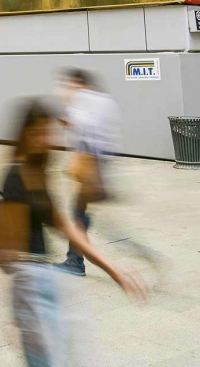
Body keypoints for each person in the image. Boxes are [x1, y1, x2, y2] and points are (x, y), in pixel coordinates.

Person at [0, 99, 145, 365]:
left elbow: (65, 226)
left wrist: (113, 269)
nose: (46, 139)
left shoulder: (37, 172)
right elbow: (7, 252)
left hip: (45, 283)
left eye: (48, 132)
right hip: (30, 287)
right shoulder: (14, 177)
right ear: (24, 134)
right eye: (38, 132)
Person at [55, 69, 121, 277]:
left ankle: (75, 261)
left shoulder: (84, 100)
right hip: (98, 163)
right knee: (78, 212)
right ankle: (75, 259)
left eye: (70, 84)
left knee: (77, 215)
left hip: (89, 164)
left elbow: (81, 127)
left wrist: (65, 112)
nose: (68, 88)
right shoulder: (105, 101)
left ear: (79, 83)